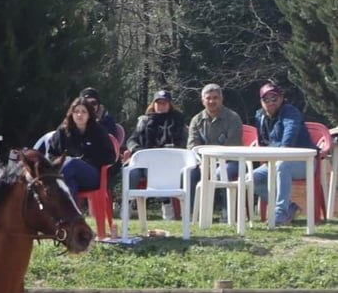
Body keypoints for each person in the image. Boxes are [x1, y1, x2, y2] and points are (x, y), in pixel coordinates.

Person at [252, 81, 317, 225]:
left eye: (274, 98)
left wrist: (278, 152)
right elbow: (263, 142)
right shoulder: (259, 116)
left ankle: (280, 213)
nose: (270, 102)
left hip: (304, 161)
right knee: (251, 178)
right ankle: (289, 207)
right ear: (261, 102)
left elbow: (290, 135)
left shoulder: (290, 112)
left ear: (281, 98)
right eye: (266, 99)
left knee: (282, 164)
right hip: (275, 161)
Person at [125, 89, 188, 220]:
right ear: (153, 104)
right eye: (158, 103)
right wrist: (136, 149)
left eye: (164, 103)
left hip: (169, 162)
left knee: (158, 171)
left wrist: (172, 149)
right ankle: (127, 205)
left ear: (169, 104)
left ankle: (167, 207)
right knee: (131, 172)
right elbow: (131, 140)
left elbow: (183, 143)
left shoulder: (178, 120)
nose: (161, 105)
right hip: (145, 161)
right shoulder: (144, 121)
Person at [187, 83, 243, 215]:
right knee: (190, 173)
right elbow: (192, 146)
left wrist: (214, 163)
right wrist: (201, 162)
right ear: (203, 101)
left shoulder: (233, 118)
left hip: (231, 161)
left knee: (222, 172)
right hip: (203, 162)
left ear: (221, 99)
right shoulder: (196, 120)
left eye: (215, 97)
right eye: (208, 98)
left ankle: (227, 213)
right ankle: (194, 213)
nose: (212, 101)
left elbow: (233, 146)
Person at [44, 97, 116, 199]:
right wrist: (62, 161)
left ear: (89, 115)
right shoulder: (63, 131)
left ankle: (49, 184)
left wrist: (85, 161)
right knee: (71, 184)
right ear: (71, 113)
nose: (79, 115)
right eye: (76, 111)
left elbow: (110, 156)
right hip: (67, 175)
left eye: (83, 112)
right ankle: (69, 214)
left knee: (73, 163)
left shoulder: (98, 131)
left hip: (92, 176)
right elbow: (51, 154)